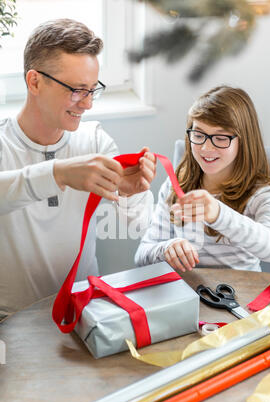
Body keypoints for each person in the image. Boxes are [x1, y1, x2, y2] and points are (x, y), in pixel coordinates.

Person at [0, 18, 156, 316]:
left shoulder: (95, 141)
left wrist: (132, 192)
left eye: (92, 89)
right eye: (76, 90)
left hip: (84, 315)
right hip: (9, 324)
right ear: (34, 82)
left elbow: (140, 224)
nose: (87, 105)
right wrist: (58, 173)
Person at [135, 85, 270, 273]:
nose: (206, 148)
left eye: (221, 138)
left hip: (240, 296)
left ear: (244, 140)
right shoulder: (176, 186)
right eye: (198, 135)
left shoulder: (263, 193)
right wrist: (166, 250)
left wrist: (218, 214)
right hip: (187, 293)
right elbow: (141, 255)